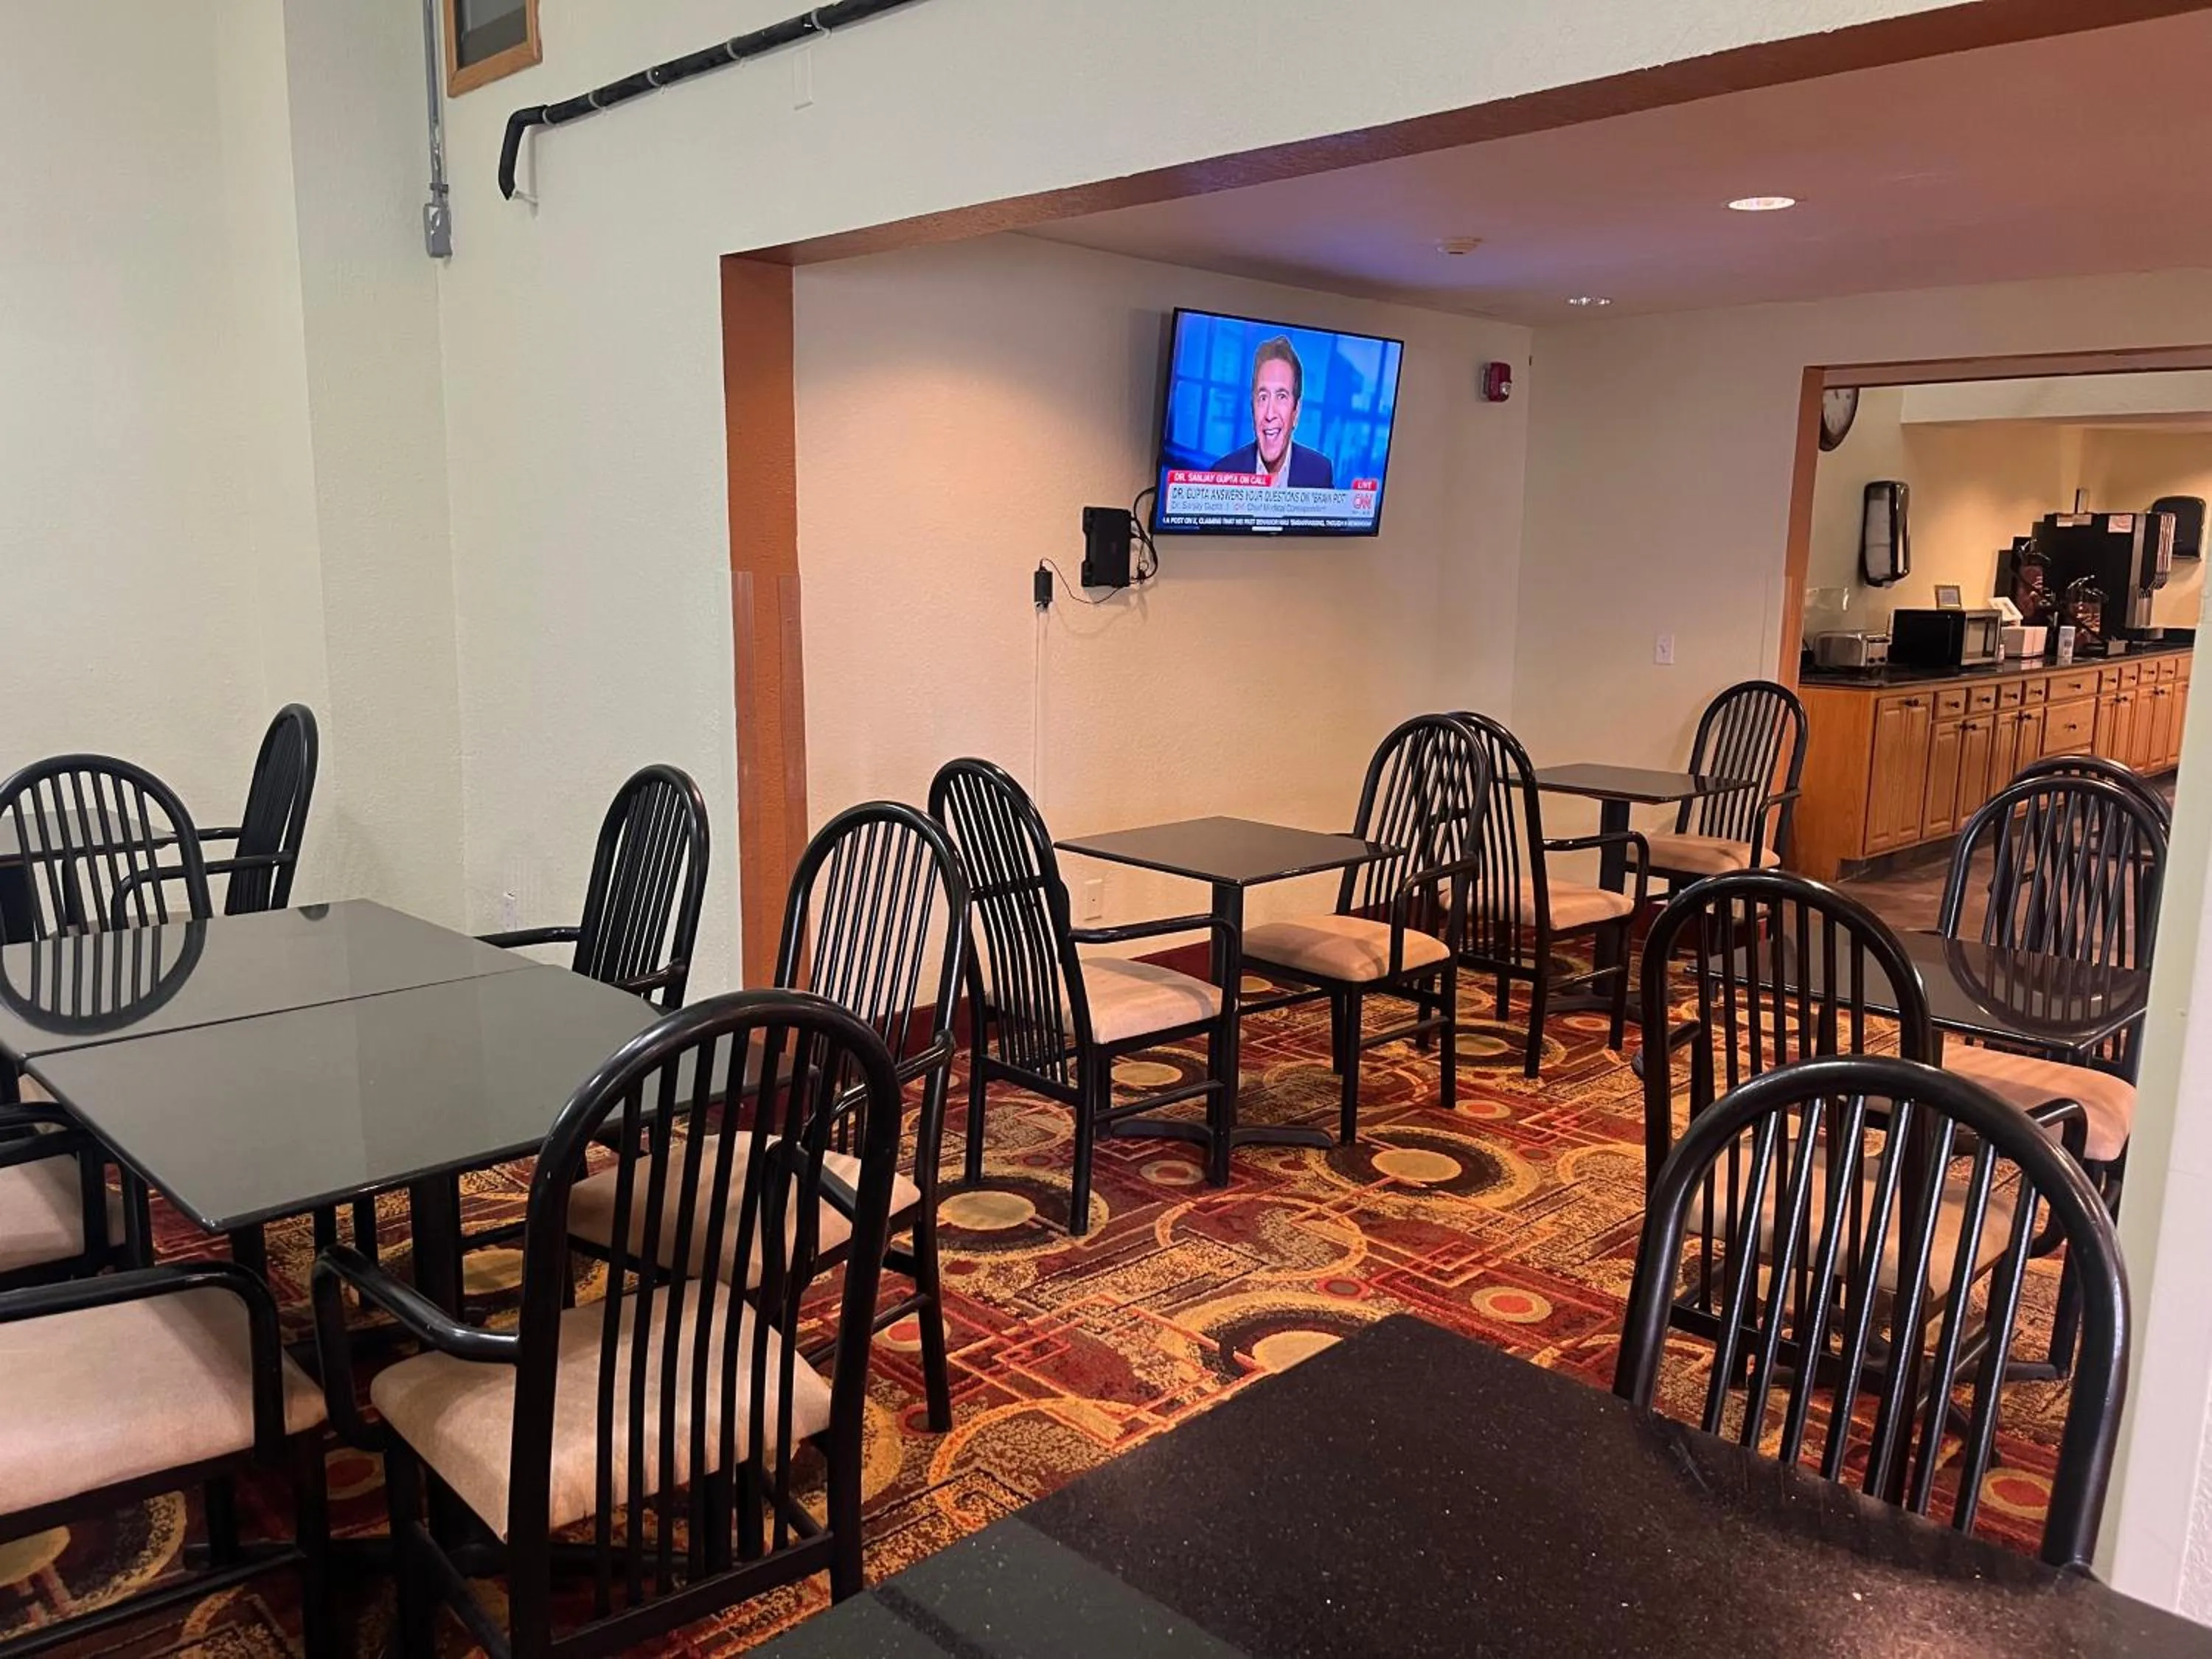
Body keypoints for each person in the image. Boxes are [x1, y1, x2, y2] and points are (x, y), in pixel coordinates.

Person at [1211, 335, 1335, 488]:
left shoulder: (1319, 473)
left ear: (1296, 412)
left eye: (1281, 397)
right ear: (1252, 408)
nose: (1270, 415)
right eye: (1263, 398)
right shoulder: (1223, 473)